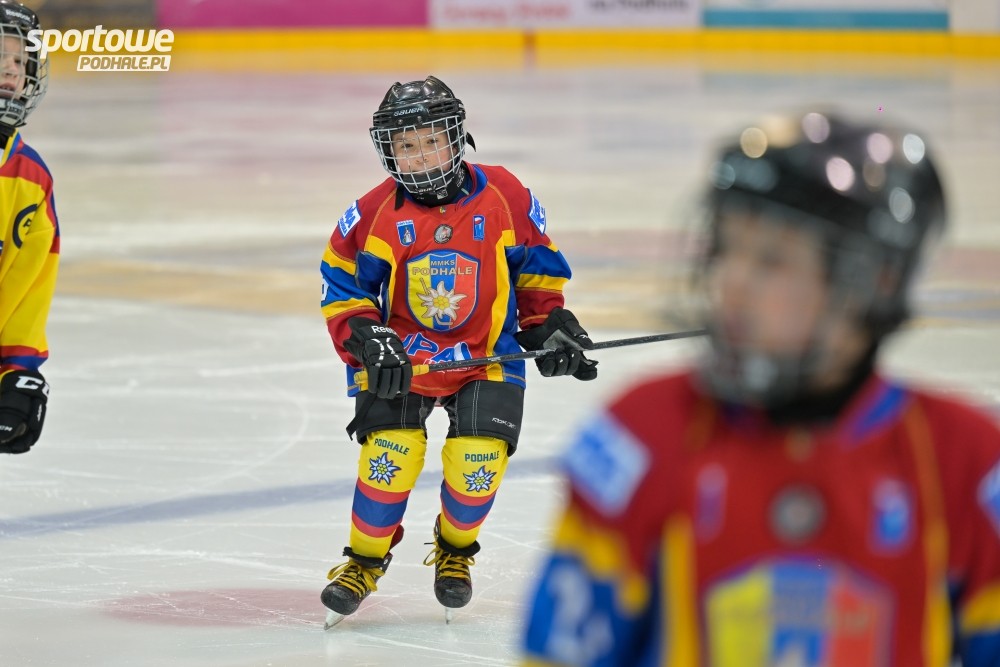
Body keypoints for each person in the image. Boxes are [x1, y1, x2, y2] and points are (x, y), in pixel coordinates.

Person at [521, 112, 1000, 665]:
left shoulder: (963, 463)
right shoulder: (640, 439)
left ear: (872, 281)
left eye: (772, 261)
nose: (733, 282)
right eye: (728, 249)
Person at [319, 75, 597, 622]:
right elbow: (342, 285)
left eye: (431, 141)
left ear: (456, 137)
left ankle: (454, 552)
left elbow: (536, 270)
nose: (421, 156)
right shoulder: (372, 214)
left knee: (478, 462)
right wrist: (368, 338)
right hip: (405, 362)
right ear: (387, 151)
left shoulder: (505, 195)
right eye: (406, 145)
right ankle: (364, 561)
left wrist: (547, 325)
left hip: (486, 357)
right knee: (389, 458)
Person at [0, 0, 56, 456]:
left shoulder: (30, 178)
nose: (11, 70)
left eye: (20, 61)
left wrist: (19, 370)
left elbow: (27, 286)